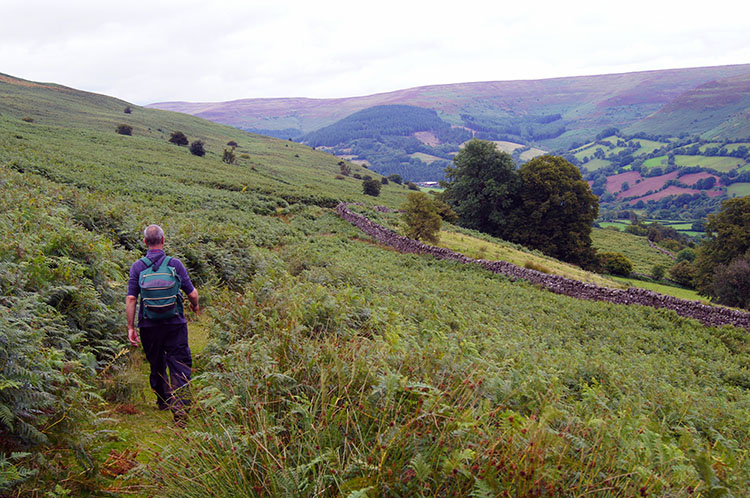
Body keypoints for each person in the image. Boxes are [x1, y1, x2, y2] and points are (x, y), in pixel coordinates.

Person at [126, 224, 199, 425]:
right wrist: (195, 305)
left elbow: (132, 298)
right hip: (175, 323)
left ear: (145, 243)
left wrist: (131, 327)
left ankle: (163, 401)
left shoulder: (138, 267)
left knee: (156, 362)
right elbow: (192, 293)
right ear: (163, 240)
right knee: (179, 362)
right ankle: (181, 407)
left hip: (149, 325)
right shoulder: (175, 264)